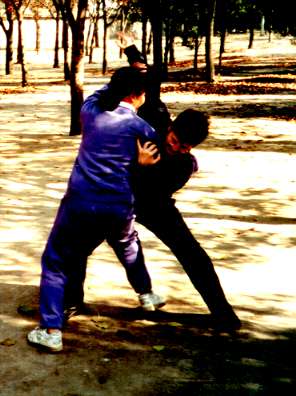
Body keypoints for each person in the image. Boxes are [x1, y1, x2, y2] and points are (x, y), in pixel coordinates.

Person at [27, 67, 164, 352]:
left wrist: (121, 81)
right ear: (137, 96)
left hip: (80, 201)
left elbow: (100, 93)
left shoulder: (89, 112)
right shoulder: (141, 128)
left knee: (55, 260)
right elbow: (157, 149)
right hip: (118, 205)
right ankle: (146, 294)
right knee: (128, 245)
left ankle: (51, 329)